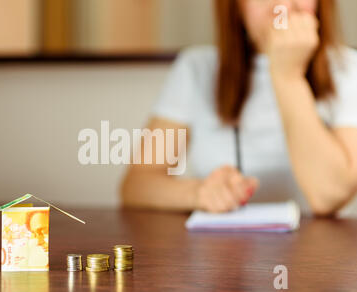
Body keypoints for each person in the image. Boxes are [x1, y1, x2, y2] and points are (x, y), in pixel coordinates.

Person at [121, 0, 357, 217]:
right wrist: (199, 193)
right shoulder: (196, 69)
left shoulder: (347, 68)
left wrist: (288, 76)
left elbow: (328, 196)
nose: (284, 7)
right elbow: (136, 185)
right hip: (222, 255)